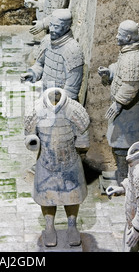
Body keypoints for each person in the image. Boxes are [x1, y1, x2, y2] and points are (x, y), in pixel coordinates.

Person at [24, 87, 90, 247]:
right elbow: (28, 136)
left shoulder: (73, 109)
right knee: (47, 198)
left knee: (72, 197)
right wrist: (32, 141)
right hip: (46, 162)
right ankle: (49, 227)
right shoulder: (37, 110)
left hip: (70, 161)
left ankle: (72, 226)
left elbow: (83, 138)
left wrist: (80, 147)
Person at [98, 20, 139, 185]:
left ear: (129, 37)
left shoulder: (133, 57)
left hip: (127, 109)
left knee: (125, 143)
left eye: (120, 34)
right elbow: (121, 70)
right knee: (119, 142)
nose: (116, 37)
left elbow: (130, 85)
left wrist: (118, 103)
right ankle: (121, 172)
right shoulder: (127, 53)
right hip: (123, 108)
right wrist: (109, 72)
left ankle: (125, 178)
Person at [21, 9, 85, 103]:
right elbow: (40, 64)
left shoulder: (73, 49)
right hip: (44, 94)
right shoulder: (46, 41)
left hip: (61, 102)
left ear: (66, 27)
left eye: (56, 26)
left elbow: (72, 89)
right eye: (50, 25)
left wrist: (58, 105)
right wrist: (32, 74)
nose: (51, 29)